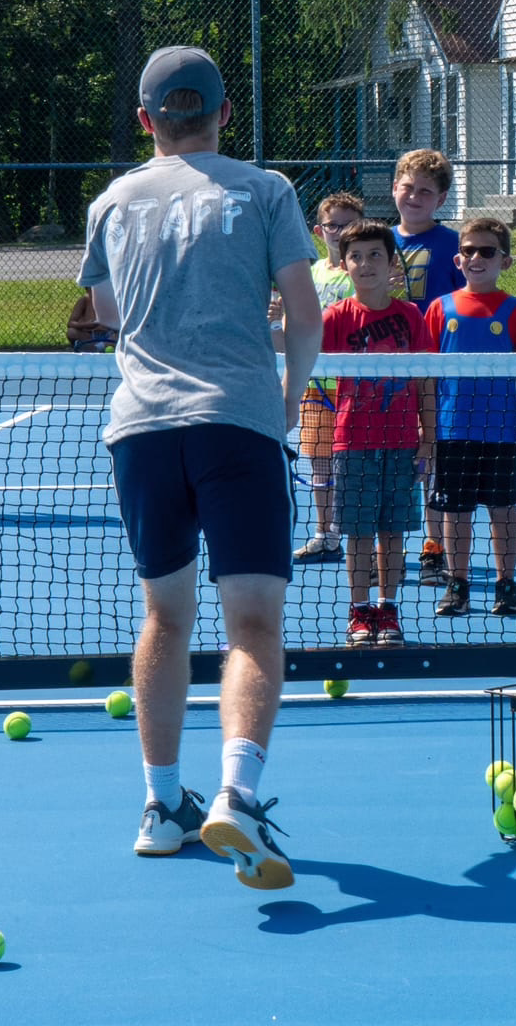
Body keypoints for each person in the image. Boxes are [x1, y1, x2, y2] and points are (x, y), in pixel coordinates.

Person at [79, 45, 321, 892]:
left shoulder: (111, 201)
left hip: (141, 432)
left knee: (165, 618)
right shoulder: (267, 190)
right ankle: (236, 796)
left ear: (146, 120)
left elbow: (107, 315)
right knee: (252, 624)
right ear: (225, 113)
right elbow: (303, 308)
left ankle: (160, 807)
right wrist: (288, 401)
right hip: (238, 424)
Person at [423, 217, 516, 617]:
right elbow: (427, 375)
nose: (477, 258)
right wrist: (426, 428)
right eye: (469, 251)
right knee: (456, 513)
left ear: (505, 262)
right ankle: (457, 585)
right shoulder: (440, 309)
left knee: (502, 510)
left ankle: (505, 584)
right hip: (451, 429)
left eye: (487, 251)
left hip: (501, 431)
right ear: (458, 259)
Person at [319, 221, 432, 646]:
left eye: (375, 255)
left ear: (391, 264)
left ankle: (387, 610)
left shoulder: (411, 316)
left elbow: (426, 380)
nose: (366, 264)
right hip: (354, 440)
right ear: (345, 265)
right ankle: (359, 612)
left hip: (403, 441)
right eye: (356, 256)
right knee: (359, 532)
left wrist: (428, 438)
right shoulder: (335, 318)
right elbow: (297, 353)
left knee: (394, 533)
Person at [387, 149, 465, 585]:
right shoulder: (376, 242)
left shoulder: (453, 245)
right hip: (387, 371)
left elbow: (468, 297)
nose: (414, 197)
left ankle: (433, 550)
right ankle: (391, 547)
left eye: (425, 192)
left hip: (437, 369)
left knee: (428, 457)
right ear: (393, 188)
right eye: (407, 188)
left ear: (440, 199)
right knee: (390, 461)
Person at [294, 191, 365, 566]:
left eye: (349, 224)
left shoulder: (367, 274)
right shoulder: (312, 273)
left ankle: (362, 537)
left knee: (355, 467)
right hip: (315, 388)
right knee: (320, 464)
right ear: (320, 231)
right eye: (333, 225)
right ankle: (326, 535)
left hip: (356, 391)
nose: (340, 232)